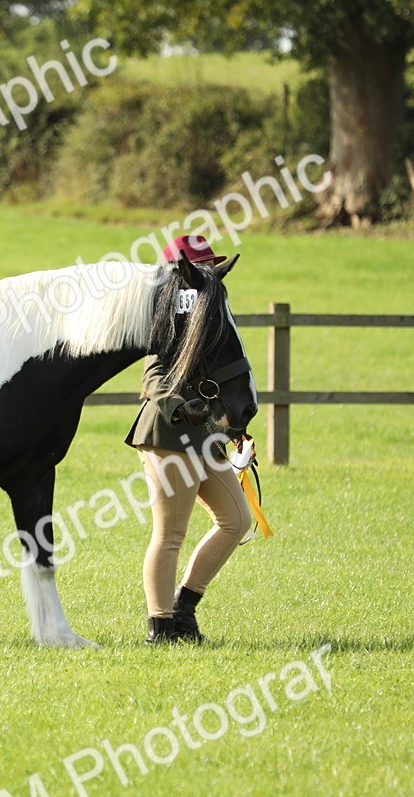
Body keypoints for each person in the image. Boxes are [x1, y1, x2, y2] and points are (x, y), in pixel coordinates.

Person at [125, 235, 253, 645]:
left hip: (205, 434)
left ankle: (184, 608)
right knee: (169, 535)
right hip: (166, 433)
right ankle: (160, 628)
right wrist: (180, 406)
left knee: (236, 520)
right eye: (202, 266)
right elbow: (153, 374)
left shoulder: (207, 319)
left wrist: (233, 426)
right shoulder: (165, 314)